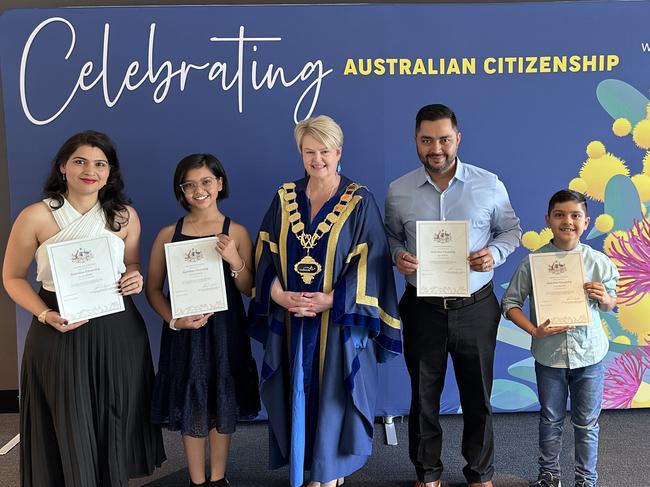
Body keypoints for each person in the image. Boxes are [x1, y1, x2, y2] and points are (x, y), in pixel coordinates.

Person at [2, 130, 165, 487]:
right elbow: (12, 277)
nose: (90, 170)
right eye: (80, 161)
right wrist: (44, 315)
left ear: (110, 172)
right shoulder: (35, 216)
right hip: (57, 323)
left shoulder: (124, 216)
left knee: (114, 413)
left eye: (100, 163)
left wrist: (134, 278)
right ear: (63, 167)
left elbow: (132, 263)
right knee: (68, 415)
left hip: (117, 327)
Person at [249, 115, 402, 487]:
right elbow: (265, 253)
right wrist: (278, 295)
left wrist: (331, 300)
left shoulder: (359, 200)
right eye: (308, 152)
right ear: (300, 153)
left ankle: (329, 474)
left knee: (333, 393)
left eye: (324, 151)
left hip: (338, 324)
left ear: (338, 152)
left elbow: (373, 262)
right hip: (292, 320)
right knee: (296, 390)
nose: (317, 159)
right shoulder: (285, 197)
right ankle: (307, 468)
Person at [384, 104, 521, 487]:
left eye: (444, 139)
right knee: (424, 397)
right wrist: (399, 255)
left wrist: (493, 254)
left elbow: (512, 230)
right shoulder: (399, 191)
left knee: (478, 396)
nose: (436, 148)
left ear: (458, 138)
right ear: (416, 141)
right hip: (422, 308)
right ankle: (427, 474)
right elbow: (392, 235)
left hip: (476, 307)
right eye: (427, 140)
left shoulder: (488, 183)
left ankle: (480, 474)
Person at [147, 154, 260, 487]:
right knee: (192, 403)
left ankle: (217, 478)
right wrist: (174, 320)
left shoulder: (236, 231)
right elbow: (153, 290)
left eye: (206, 182)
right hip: (185, 334)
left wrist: (234, 258)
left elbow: (250, 287)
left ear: (220, 184)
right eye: (190, 184)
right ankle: (197, 481)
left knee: (220, 400)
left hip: (226, 332)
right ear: (181, 191)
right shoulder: (168, 234)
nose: (199, 190)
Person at [502, 189, 618, 487]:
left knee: (587, 423)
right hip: (549, 354)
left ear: (586, 222)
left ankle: (586, 479)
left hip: (590, 355)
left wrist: (605, 297)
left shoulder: (599, 262)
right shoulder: (533, 263)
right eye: (560, 215)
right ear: (548, 220)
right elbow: (510, 304)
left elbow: (610, 304)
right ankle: (549, 474)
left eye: (575, 215)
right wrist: (533, 330)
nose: (568, 221)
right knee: (550, 419)